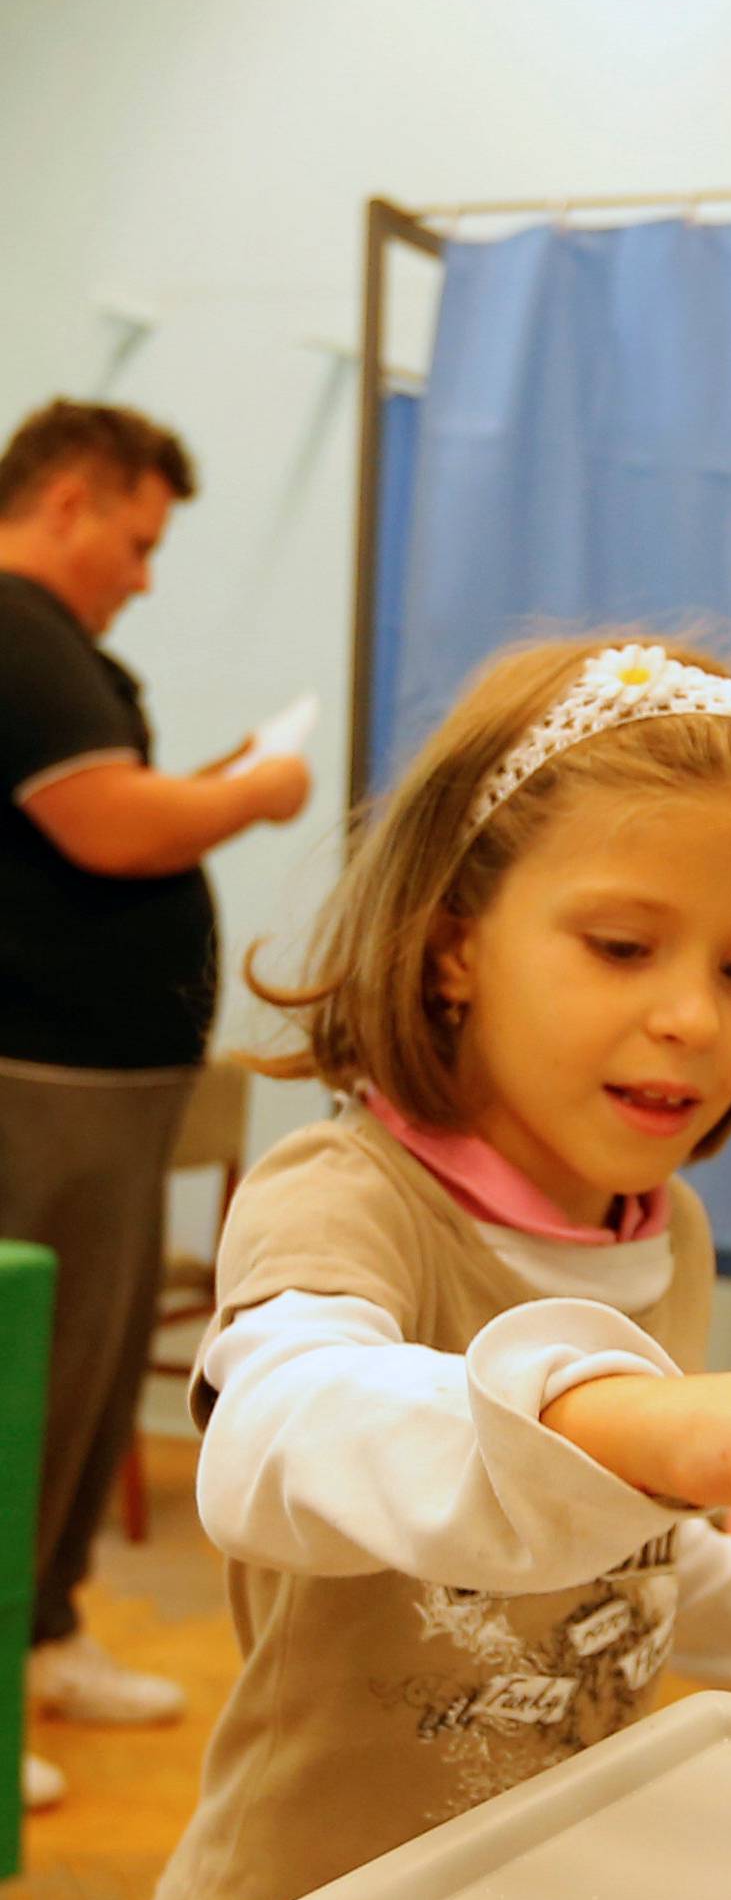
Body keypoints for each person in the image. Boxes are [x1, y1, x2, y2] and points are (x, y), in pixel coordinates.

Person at [152, 635, 731, 1900]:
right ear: (454, 948)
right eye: (624, 945)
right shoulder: (343, 1195)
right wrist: (642, 1423)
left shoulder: (666, 1231)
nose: (693, 1014)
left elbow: (628, 1550)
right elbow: (272, 1434)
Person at [0, 400, 311, 1814]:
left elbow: (113, 808)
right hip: (40, 1080)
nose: (144, 571)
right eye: (136, 539)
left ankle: (46, 1628)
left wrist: (204, 786)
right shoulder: (13, 628)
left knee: (77, 1379)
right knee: (24, 1386)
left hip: (106, 1086)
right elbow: (107, 826)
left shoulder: (62, 654)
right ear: (68, 501)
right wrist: (252, 794)